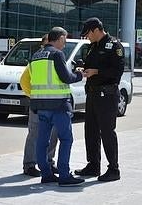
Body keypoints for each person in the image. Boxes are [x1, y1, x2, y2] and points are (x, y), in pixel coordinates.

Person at [29, 27, 84, 186]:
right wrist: (80, 74)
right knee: (66, 139)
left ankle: (46, 174)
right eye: (64, 40)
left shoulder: (35, 56)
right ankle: (64, 175)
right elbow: (66, 77)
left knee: (42, 141)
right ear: (59, 38)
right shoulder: (57, 54)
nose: (65, 43)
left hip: (41, 105)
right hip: (58, 105)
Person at [75, 17, 124, 182]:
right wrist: (85, 69)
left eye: (88, 33)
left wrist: (97, 72)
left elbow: (117, 72)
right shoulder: (92, 46)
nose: (86, 37)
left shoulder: (113, 46)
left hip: (107, 95)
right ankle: (93, 165)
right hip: (92, 94)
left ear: (96, 30)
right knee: (91, 131)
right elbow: (92, 66)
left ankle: (113, 169)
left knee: (107, 132)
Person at [20, 34, 59, 177]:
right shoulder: (36, 59)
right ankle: (29, 164)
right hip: (39, 103)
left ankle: (49, 161)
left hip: (53, 103)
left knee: (53, 134)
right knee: (35, 134)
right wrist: (33, 95)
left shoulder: (57, 57)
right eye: (45, 44)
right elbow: (24, 81)